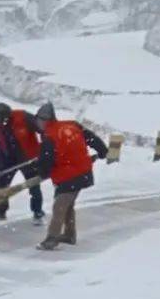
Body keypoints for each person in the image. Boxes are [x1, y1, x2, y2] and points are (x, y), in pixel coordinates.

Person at [33, 102, 107, 251]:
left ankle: (52, 239)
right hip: (82, 172)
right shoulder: (72, 125)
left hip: (70, 175)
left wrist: (40, 171)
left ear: (46, 121)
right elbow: (91, 138)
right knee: (67, 204)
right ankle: (69, 235)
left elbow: (46, 163)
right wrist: (102, 151)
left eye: (40, 120)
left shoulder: (49, 137)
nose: (38, 124)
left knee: (59, 206)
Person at [0, 102, 45, 223]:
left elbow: (42, 129)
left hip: (28, 158)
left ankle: (38, 213)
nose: (4, 122)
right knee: (2, 186)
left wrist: (46, 147)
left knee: (33, 185)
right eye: (1, 121)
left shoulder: (23, 117)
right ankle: (0, 212)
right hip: (9, 161)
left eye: (5, 119)